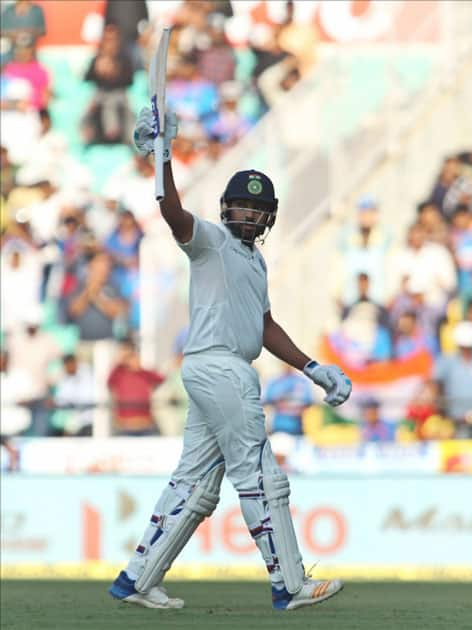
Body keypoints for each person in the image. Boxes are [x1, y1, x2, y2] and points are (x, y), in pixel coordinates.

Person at [109, 106, 352, 610]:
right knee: (261, 475)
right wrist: (163, 155)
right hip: (221, 368)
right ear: (226, 209)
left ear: (270, 216)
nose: (249, 215)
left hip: (215, 369)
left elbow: (263, 326)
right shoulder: (212, 242)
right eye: (241, 206)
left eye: (257, 209)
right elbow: (171, 212)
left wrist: (312, 367)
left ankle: (137, 578)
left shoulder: (256, 259)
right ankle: (289, 583)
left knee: (196, 485)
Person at [107, 340, 165, 436]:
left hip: (145, 425)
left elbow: (160, 378)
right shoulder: (119, 374)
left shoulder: (144, 374)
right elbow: (109, 380)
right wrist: (120, 359)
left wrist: (141, 369)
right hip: (125, 427)